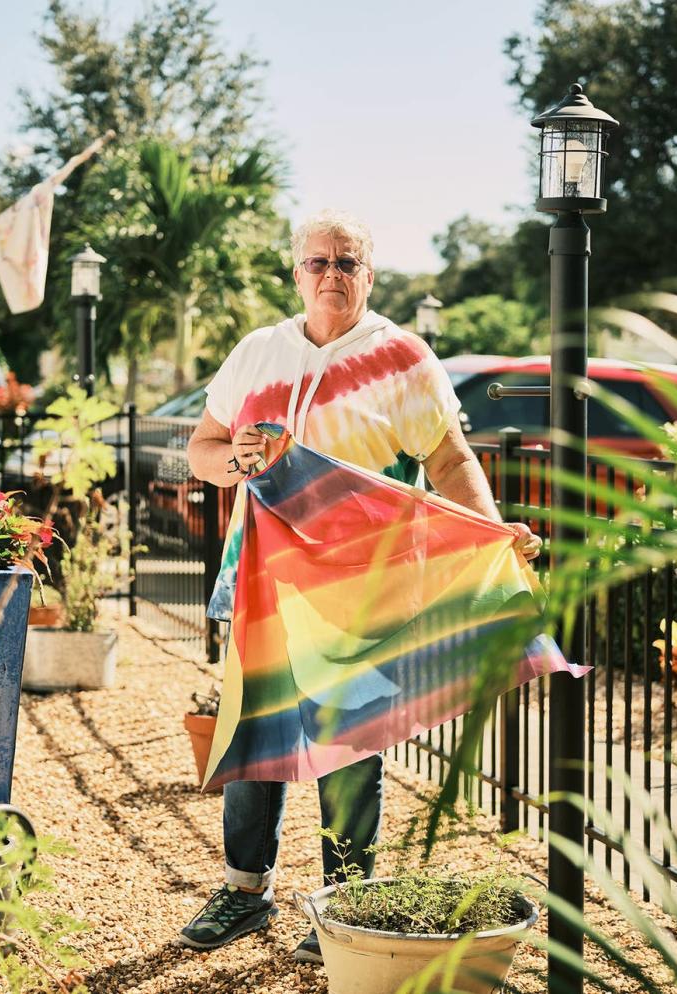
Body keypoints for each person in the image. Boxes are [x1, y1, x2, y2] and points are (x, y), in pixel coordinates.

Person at [177, 209, 542, 963]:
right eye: (318, 263)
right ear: (297, 274)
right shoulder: (257, 354)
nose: (331, 275)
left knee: (348, 747)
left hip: (363, 588)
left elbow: (449, 461)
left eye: (347, 263)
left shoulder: (402, 358)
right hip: (264, 583)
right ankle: (245, 892)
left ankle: (343, 909)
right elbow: (201, 451)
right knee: (254, 736)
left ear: (370, 276)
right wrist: (235, 460)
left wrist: (492, 529)